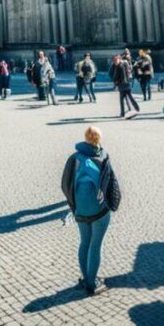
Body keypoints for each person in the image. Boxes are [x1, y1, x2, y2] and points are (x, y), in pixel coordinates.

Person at [60, 126, 120, 296]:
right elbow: (110, 184)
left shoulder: (74, 158)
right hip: (99, 210)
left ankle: (86, 278)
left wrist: (74, 205)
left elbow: (65, 184)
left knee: (84, 242)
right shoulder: (103, 156)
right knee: (96, 244)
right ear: (99, 139)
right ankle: (92, 283)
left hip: (80, 209)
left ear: (85, 138)